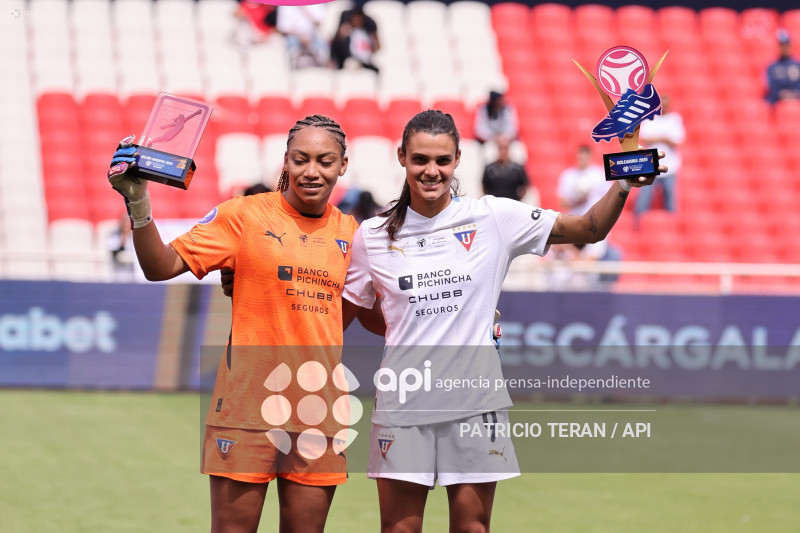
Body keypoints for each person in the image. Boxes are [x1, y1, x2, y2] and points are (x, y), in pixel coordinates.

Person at [341, 110, 661, 533]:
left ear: (458, 159)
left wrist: (624, 181)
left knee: (472, 528)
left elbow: (589, 227)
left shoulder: (493, 217)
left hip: (476, 404)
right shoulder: (373, 235)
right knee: (399, 530)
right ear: (402, 157)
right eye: (420, 159)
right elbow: (353, 313)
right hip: (403, 402)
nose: (431, 171)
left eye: (442, 160)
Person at [107, 115, 383, 533]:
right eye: (301, 159)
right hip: (245, 410)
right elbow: (159, 266)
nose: (312, 171)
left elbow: (354, 320)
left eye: (325, 161)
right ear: (285, 161)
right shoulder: (243, 216)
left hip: (319, 412)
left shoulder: (354, 236)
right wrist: (139, 203)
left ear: (342, 166)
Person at [634, 94, 685, 225]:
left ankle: (673, 225)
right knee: (643, 198)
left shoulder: (674, 119)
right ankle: (638, 224)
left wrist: (657, 138)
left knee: (670, 198)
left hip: (669, 167)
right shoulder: (649, 118)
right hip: (650, 165)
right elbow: (645, 139)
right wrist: (664, 138)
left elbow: (675, 141)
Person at [557, 144, 608, 215]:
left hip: (596, 217)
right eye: (580, 157)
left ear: (590, 156)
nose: (582, 159)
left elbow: (608, 197)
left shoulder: (600, 174)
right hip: (576, 217)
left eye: (585, 157)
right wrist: (577, 201)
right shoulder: (568, 175)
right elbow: (563, 202)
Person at [275, 4, 329, 69]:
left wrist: (305, 9)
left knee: (323, 51)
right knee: (292, 48)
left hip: (312, 37)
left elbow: (320, 22)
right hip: (294, 37)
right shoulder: (285, 5)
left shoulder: (316, 4)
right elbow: (283, 28)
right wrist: (301, 37)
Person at [481, 134, 532, 201]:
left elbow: (525, 186)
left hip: (512, 202)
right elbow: (484, 187)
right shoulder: (489, 169)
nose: (503, 151)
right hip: (494, 203)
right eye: (501, 148)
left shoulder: (518, 169)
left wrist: (517, 199)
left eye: (505, 148)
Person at [330, 5, 380, 72]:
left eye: (359, 18)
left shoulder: (367, 32)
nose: (357, 20)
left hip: (364, 62)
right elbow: (336, 46)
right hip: (350, 61)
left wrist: (374, 40)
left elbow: (377, 47)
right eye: (355, 18)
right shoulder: (347, 32)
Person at [766, 29, 800, 104]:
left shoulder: (797, 65)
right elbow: (771, 87)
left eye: (786, 45)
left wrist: (794, 94)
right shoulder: (772, 67)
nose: (784, 48)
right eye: (782, 45)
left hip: (797, 100)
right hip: (777, 101)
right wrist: (782, 94)